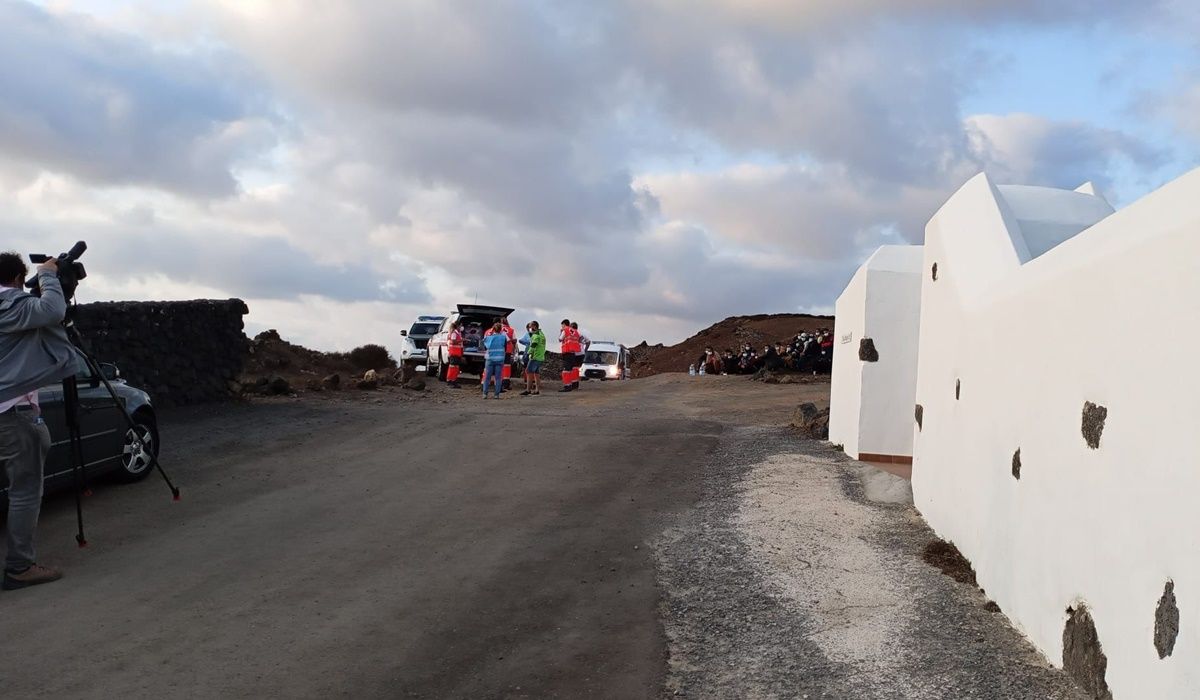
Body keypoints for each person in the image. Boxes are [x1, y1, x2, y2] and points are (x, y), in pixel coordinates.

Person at [0, 252, 77, 590]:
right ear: (18, 279)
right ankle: (19, 567)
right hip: (13, 412)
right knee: (25, 492)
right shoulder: (11, 305)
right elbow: (52, 311)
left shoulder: (13, 312)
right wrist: (47, 275)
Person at [481, 322, 507, 399]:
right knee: (498, 378)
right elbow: (505, 348)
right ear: (501, 330)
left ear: (493, 329)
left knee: (487, 377)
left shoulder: (489, 338)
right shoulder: (503, 338)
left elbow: (485, 346)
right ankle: (496, 394)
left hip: (490, 359)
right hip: (500, 359)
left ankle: (485, 394)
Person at [521, 321, 546, 396]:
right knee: (536, 373)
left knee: (528, 371)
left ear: (534, 326)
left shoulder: (536, 335)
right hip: (541, 356)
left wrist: (528, 353)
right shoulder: (542, 334)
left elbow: (533, 346)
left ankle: (528, 390)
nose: (529, 329)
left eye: (530, 327)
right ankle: (537, 389)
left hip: (535, 357)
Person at [559, 319, 581, 392]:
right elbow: (580, 339)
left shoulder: (565, 330)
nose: (561, 326)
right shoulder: (575, 331)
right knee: (572, 370)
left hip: (567, 352)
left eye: (562, 325)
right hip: (573, 353)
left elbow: (560, 339)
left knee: (566, 371)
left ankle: (567, 386)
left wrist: (561, 332)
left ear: (564, 324)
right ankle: (573, 385)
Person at [444, 321, 464, 388]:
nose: (461, 327)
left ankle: (453, 380)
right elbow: (453, 341)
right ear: (458, 326)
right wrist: (462, 340)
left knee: (456, 367)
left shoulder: (458, 333)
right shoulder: (454, 333)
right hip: (454, 353)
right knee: (452, 367)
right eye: (460, 326)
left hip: (457, 353)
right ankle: (450, 380)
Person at [500, 316, 516, 388]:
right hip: (508, 350)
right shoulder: (511, 330)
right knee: (506, 366)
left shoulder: (496, 329)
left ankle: (495, 382)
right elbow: (514, 340)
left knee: (498, 366)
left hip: (498, 350)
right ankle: (506, 383)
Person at [570, 321, 588, 388]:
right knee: (577, 369)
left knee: (573, 369)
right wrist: (585, 350)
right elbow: (588, 342)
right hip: (582, 353)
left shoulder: (573, 334)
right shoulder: (582, 334)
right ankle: (576, 384)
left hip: (575, 353)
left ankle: (574, 383)